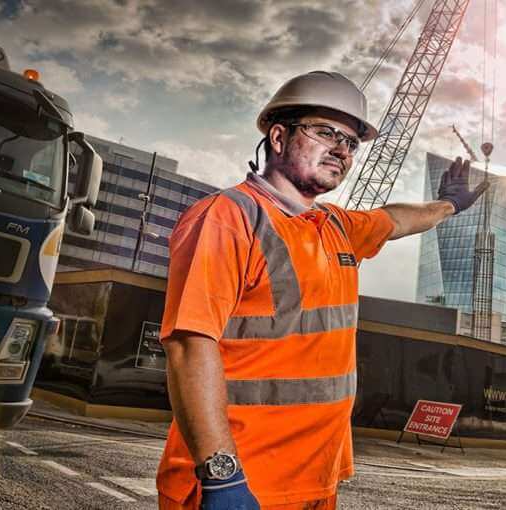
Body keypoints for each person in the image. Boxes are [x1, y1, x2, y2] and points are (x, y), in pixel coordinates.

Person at [157, 70, 488, 509]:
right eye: (325, 132)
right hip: (244, 482)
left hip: (314, 481)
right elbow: (188, 344)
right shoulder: (228, 218)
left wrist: (450, 206)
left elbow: (398, 219)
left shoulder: (334, 227)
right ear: (278, 137)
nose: (341, 149)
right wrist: (221, 475)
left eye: (350, 142)